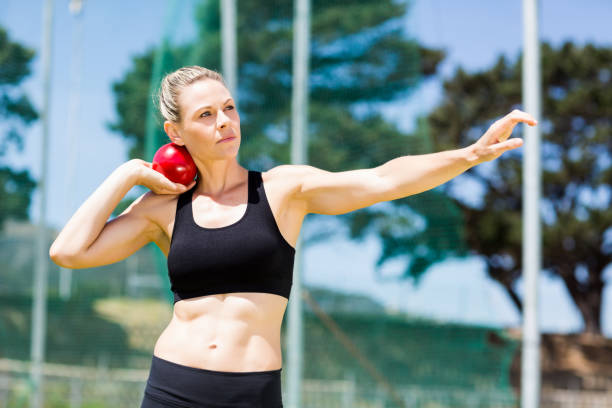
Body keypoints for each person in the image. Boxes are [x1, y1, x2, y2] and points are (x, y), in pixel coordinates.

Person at [49, 65, 536, 407]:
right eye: (205, 115)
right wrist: (129, 174)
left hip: (253, 392)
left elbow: (384, 178)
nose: (224, 122)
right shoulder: (161, 208)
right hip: (174, 389)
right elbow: (68, 252)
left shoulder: (283, 189)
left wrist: (469, 154)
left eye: (229, 108)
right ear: (174, 133)